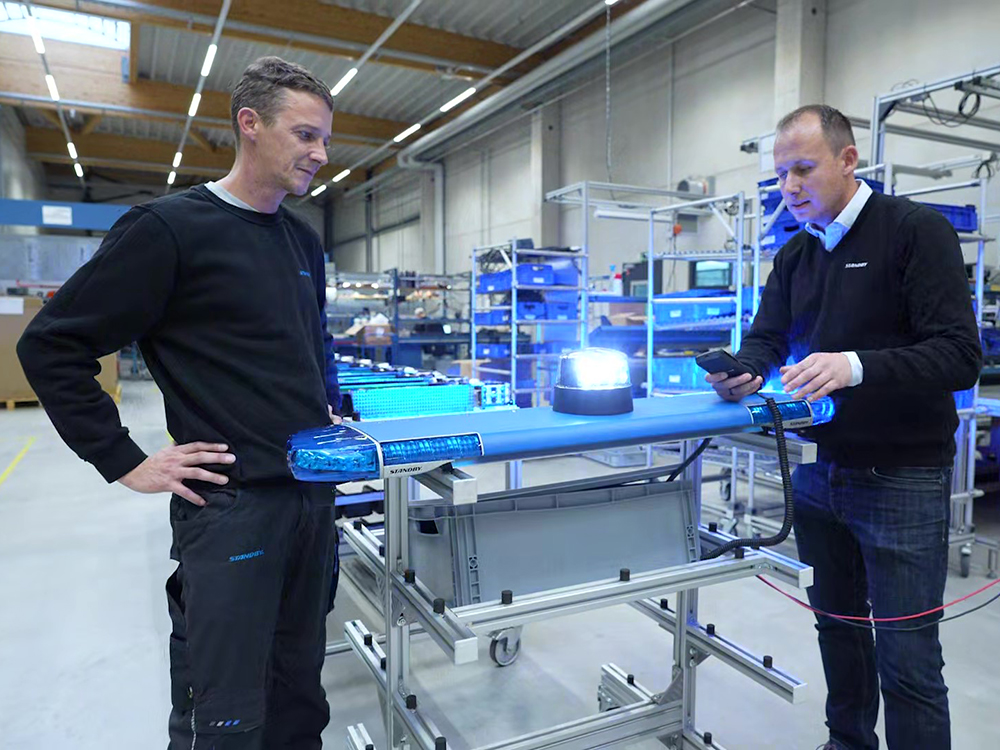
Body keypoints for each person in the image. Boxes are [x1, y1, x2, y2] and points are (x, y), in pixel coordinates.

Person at [18, 56, 342, 749]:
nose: (321, 154)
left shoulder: (302, 243)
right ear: (249, 125)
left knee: (299, 696)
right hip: (233, 510)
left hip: (312, 500)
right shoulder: (169, 231)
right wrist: (125, 459)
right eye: (306, 135)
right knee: (224, 712)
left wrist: (333, 409)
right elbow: (52, 346)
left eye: (324, 139)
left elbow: (311, 345)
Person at [705, 104, 981, 750]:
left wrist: (854, 366)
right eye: (780, 176)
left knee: (908, 660)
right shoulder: (797, 255)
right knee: (839, 631)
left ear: (848, 159)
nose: (790, 188)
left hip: (903, 477)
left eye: (803, 169)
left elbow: (960, 356)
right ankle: (848, 742)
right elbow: (766, 340)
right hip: (821, 474)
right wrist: (742, 373)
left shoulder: (915, 231)